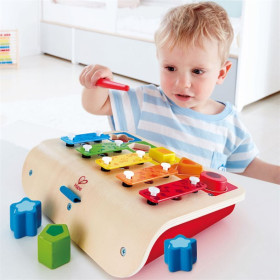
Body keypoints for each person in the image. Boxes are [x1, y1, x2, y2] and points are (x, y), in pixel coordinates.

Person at [79, 1, 280, 184]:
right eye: (171, 68)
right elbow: (96, 105)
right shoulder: (146, 101)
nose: (182, 83)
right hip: (139, 204)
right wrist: (96, 84)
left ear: (221, 73)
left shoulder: (229, 124)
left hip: (193, 212)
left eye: (197, 71)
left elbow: (249, 167)